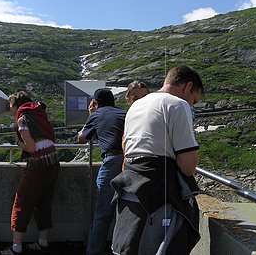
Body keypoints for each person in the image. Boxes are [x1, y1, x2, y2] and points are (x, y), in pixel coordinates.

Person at [112, 67, 206, 255]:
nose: (192, 105)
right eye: (194, 100)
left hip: (129, 188)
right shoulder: (178, 105)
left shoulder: (136, 106)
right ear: (188, 87)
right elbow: (188, 166)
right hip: (158, 196)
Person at [3, 91, 62, 253]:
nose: (10, 110)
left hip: (38, 164)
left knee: (21, 203)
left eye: (10, 106)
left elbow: (31, 147)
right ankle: (43, 242)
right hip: (53, 162)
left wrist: (18, 143)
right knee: (43, 202)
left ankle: (16, 248)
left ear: (16, 106)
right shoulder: (38, 113)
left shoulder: (23, 119)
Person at [75, 86, 130, 255]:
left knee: (103, 213)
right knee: (129, 209)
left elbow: (81, 138)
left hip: (113, 161)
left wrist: (90, 115)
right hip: (132, 161)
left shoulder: (97, 114)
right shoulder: (124, 113)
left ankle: (94, 251)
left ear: (95, 103)